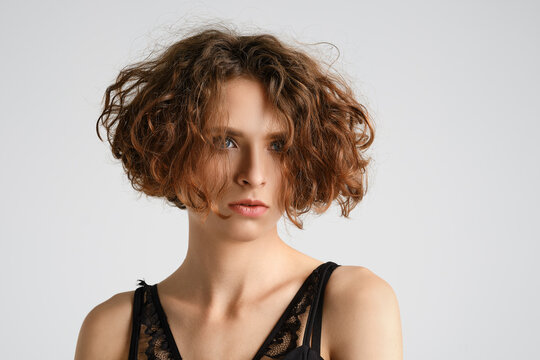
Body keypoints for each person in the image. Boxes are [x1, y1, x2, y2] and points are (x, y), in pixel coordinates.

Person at [74, 25, 403, 360]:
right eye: (225, 142)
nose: (254, 175)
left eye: (278, 146)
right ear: (170, 148)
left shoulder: (354, 302)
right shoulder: (112, 329)